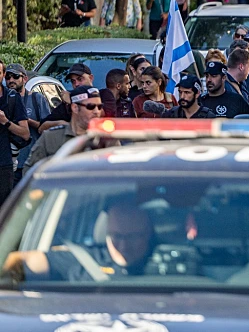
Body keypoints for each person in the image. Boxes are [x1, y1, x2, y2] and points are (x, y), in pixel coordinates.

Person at [3, 203, 155, 282]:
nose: (123, 246)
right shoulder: (84, 259)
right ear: (106, 234)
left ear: (147, 234)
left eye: (132, 237)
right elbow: (27, 261)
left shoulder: (170, 265)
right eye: (116, 236)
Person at [24, 86, 102, 174]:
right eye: (91, 106)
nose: (97, 111)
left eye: (100, 107)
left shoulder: (106, 139)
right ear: (75, 108)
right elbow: (30, 171)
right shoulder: (51, 137)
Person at [2, 65, 40, 188]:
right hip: (12, 164)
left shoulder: (35, 98)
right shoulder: (9, 98)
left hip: (26, 162)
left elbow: (44, 127)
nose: (11, 80)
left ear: (25, 78)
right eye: (8, 77)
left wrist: (26, 120)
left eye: (16, 76)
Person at [39, 63, 96, 133]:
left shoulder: (104, 94)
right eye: (73, 81)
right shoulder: (67, 104)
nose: (76, 84)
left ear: (91, 78)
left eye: (80, 79)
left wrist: (72, 101)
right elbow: (42, 127)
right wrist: (60, 124)